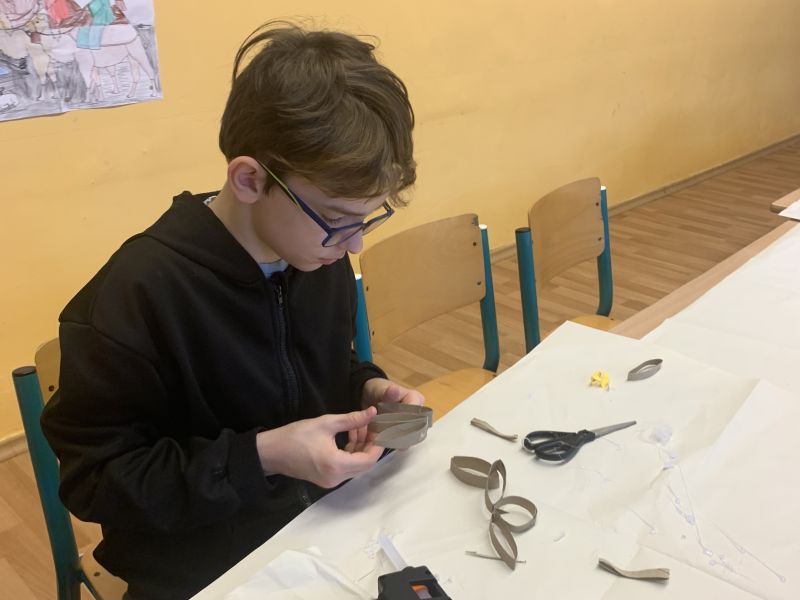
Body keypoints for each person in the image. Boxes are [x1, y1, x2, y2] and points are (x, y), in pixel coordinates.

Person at [41, 20, 421, 599]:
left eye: (367, 219)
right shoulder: (136, 295)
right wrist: (262, 457)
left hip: (322, 528)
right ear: (249, 179)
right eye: (336, 219)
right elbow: (96, 481)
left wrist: (364, 386)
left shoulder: (317, 255)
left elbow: (309, 366)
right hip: (202, 570)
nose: (354, 245)